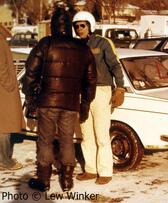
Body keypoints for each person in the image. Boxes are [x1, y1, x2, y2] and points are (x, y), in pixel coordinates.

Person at [22, 7, 96, 192]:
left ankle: (44, 181)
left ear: (53, 26)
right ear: (69, 26)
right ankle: (67, 181)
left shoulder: (45, 44)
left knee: (45, 141)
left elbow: (30, 73)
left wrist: (31, 96)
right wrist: (85, 103)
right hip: (70, 104)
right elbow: (91, 80)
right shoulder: (82, 48)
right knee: (66, 140)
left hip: (47, 102)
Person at [72, 11, 125, 185]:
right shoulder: (74, 46)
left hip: (101, 92)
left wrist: (120, 88)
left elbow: (115, 66)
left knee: (101, 134)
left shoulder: (102, 43)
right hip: (82, 93)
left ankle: (105, 171)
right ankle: (90, 169)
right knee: (86, 134)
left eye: (82, 25)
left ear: (90, 25)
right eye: (76, 26)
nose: (79, 29)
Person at [0, 33, 24, 171]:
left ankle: (4, 159)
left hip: (3, 88)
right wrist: (9, 84)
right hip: (4, 89)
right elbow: (1, 68)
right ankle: (4, 161)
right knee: (4, 126)